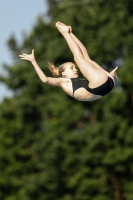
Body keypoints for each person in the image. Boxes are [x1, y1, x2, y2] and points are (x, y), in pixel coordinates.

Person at [19, 21, 118, 102]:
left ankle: (69, 33)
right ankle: (65, 33)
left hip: (107, 82)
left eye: (74, 67)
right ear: (64, 73)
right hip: (101, 85)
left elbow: (85, 56)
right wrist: (33, 61)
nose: (75, 69)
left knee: (86, 58)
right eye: (71, 68)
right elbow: (45, 80)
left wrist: (110, 75)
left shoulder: (77, 81)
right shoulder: (63, 81)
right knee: (78, 57)